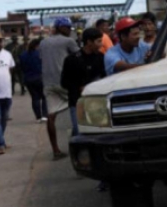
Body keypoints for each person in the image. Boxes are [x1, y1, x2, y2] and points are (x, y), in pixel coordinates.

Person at [40, 17, 79, 160]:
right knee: (79, 110)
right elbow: (78, 58)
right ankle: (78, 147)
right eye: (67, 28)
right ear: (61, 28)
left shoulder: (43, 42)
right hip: (65, 83)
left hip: (48, 83)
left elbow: (41, 59)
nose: (69, 30)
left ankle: (55, 150)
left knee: (51, 117)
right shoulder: (69, 41)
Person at [61, 28, 107, 137]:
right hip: (77, 103)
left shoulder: (101, 58)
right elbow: (64, 82)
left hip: (98, 103)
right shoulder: (71, 60)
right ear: (89, 42)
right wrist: (79, 87)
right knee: (79, 134)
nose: (101, 45)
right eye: (98, 41)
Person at [18, 38, 48, 122]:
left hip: (28, 79)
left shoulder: (23, 55)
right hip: (39, 78)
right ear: (37, 45)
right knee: (44, 97)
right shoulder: (40, 54)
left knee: (35, 98)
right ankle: (45, 115)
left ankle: (38, 117)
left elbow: (21, 68)